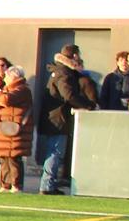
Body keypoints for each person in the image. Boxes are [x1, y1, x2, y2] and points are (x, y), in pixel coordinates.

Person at [37, 44, 96, 194]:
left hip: (54, 116)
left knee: (54, 151)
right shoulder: (64, 73)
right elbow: (68, 95)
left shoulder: (58, 70)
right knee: (55, 152)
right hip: (58, 117)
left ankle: (48, 183)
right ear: (75, 56)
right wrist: (88, 105)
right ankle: (47, 185)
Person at [0, 66, 33, 192]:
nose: (4, 78)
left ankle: (16, 185)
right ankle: (5, 184)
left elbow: (6, 99)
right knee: (4, 157)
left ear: (13, 77)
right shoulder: (7, 90)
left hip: (15, 130)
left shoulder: (22, 90)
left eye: (7, 76)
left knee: (14, 158)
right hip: (4, 129)